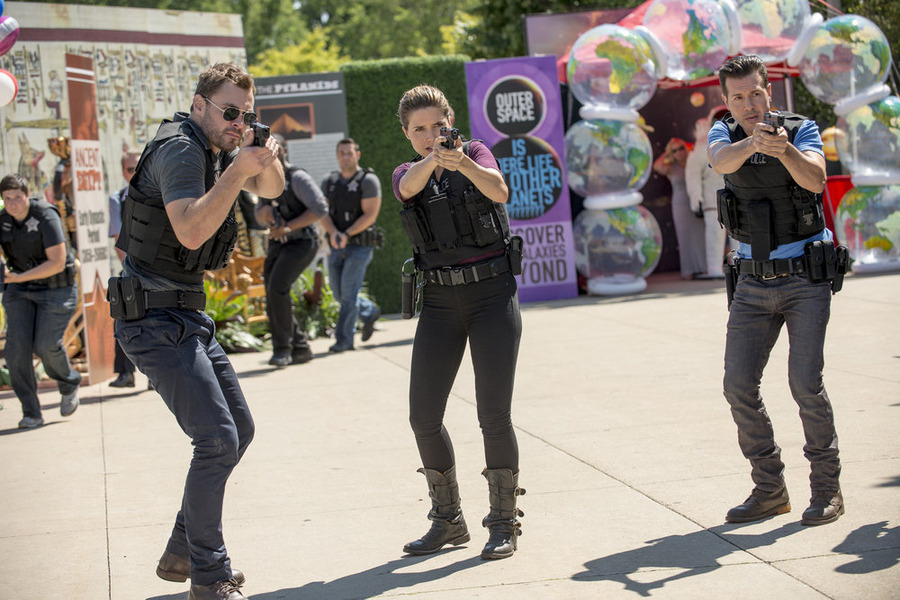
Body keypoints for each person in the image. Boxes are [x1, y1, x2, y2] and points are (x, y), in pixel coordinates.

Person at [112, 62, 283, 600]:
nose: (237, 122)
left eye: (245, 113)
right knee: (216, 440)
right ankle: (209, 577)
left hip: (184, 316)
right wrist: (237, 170)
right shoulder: (184, 149)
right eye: (229, 112)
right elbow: (189, 230)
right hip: (152, 318)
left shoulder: (219, 149)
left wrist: (260, 152)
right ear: (200, 104)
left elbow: (273, 190)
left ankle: (183, 549)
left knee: (239, 431)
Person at [708, 54, 845, 527]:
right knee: (737, 385)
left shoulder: (802, 129)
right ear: (726, 100)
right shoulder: (724, 133)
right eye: (738, 96)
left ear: (771, 92)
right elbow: (720, 161)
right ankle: (769, 489)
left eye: (756, 93)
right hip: (751, 280)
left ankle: (827, 490)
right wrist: (752, 143)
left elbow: (816, 178)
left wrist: (784, 149)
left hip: (805, 278)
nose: (749, 103)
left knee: (806, 385)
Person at [393, 84, 525, 560]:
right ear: (408, 135)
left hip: (492, 296)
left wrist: (461, 162)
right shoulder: (408, 171)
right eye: (419, 130)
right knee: (423, 416)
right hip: (441, 305)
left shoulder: (475, 152)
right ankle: (448, 521)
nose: (431, 136)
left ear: (451, 122)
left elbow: (499, 189)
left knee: (493, 415)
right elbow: (407, 189)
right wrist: (434, 161)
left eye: (436, 126)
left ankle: (504, 522)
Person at [0, 173, 81, 429]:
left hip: (56, 289)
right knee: (16, 351)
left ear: (27, 195)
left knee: (46, 345)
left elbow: (57, 262)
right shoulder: (2, 221)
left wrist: (19, 277)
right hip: (19, 291)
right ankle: (31, 412)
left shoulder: (45, 215)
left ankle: (68, 382)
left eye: (17, 197)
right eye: (6, 198)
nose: (12, 203)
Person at [255, 134, 328, 367]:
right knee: (271, 290)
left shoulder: (297, 177)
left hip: (302, 242)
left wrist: (287, 226)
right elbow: (258, 213)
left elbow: (319, 208)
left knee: (277, 287)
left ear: (284, 150)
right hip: (279, 242)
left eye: (275, 148)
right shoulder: (262, 179)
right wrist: (266, 214)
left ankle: (283, 349)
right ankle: (300, 346)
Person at [320, 138, 382, 352]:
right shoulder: (329, 181)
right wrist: (335, 233)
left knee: (348, 293)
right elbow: (323, 213)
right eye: (342, 153)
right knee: (339, 294)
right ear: (337, 156)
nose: (345, 156)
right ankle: (369, 311)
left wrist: (346, 233)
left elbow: (370, 215)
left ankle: (344, 340)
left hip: (360, 245)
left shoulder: (368, 180)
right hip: (337, 243)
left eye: (349, 152)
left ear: (357, 154)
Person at [107, 148, 141, 388]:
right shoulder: (117, 199)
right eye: (130, 169)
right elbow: (119, 238)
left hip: (161, 267)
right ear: (123, 172)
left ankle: (155, 376)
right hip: (132, 267)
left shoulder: (161, 191)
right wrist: (132, 268)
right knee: (122, 315)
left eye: (139, 167)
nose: (135, 172)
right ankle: (125, 373)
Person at [654, 137, 707, 279]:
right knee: (685, 237)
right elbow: (657, 166)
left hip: (695, 201)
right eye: (675, 150)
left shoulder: (693, 162)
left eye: (681, 148)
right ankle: (689, 270)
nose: (678, 152)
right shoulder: (671, 166)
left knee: (700, 234)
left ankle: (704, 267)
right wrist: (668, 152)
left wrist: (688, 147)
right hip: (680, 204)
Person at [685, 117, 728, 279]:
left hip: (736, 197)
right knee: (715, 236)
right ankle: (714, 268)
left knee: (740, 236)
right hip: (713, 199)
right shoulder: (703, 146)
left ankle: (741, 265)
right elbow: (693, 173)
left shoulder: (737, 140)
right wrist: (696, 198)